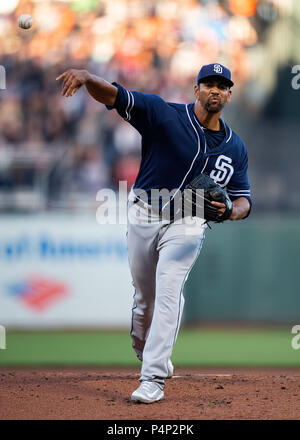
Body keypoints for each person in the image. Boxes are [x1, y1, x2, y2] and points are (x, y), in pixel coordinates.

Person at [56, 63, 251, 404]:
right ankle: (145, 350)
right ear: (197, 90)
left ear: (229, 94)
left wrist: (232, 211)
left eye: (222, 85)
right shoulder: (163, 114)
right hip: (144, 213)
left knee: (169, 291)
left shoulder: (236, 148)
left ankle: (153, 378)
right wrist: (89, 79)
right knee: (144, 299)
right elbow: (116, 96)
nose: (215, 90)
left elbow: (243, 197)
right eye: (209, 84)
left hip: (188, 221)